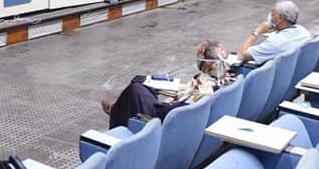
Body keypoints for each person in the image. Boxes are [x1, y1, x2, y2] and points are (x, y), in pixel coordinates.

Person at [99, 41, 236, 129]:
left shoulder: (205, 91)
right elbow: (189, 94)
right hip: (174, 109)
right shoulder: (220, 79)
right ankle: (117, 108)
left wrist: (171, 102)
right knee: (145, 88)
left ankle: (116, 111)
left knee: (135, 89)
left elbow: (185, 104)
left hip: (164, 116)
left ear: (206, 63)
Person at [236, 0, 312, 65]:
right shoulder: (304, 32)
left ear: (279, 18)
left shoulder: (274, 43)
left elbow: (241, 55)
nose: (270, 17)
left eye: (272, 15)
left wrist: (257, 31)